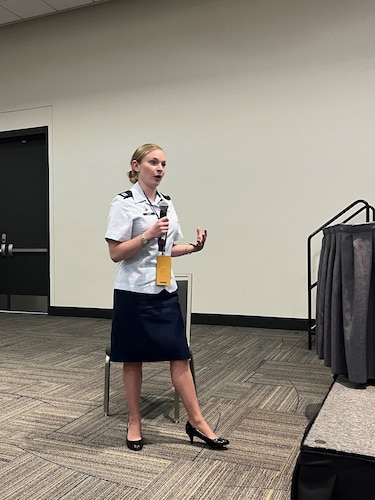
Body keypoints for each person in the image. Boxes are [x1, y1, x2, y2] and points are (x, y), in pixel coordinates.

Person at [105, 143, 229, 452]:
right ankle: (135, 422)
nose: (159, 169)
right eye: (153, 162)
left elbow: (167, 248)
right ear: (136, 166)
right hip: (134, 292)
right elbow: (115, 253)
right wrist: (146, 234)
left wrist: (191, 248)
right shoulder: (123, 203)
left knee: (180, 355)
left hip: (164, 292)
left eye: (163, 164)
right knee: (133, 360)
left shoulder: (167, 203)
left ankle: (198, 422)